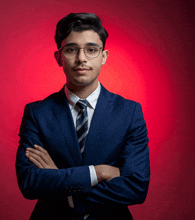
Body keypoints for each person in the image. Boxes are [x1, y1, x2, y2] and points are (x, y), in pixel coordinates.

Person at [15, 13, 150, 220]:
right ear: (59, 57)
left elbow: (136, 187)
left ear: (103, 56)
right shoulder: (37, 112)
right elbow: (30, 182)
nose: (81, 58)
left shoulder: (129, 112)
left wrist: (65, 189)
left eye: (91, 49)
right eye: (71, 49)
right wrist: (98, 172)